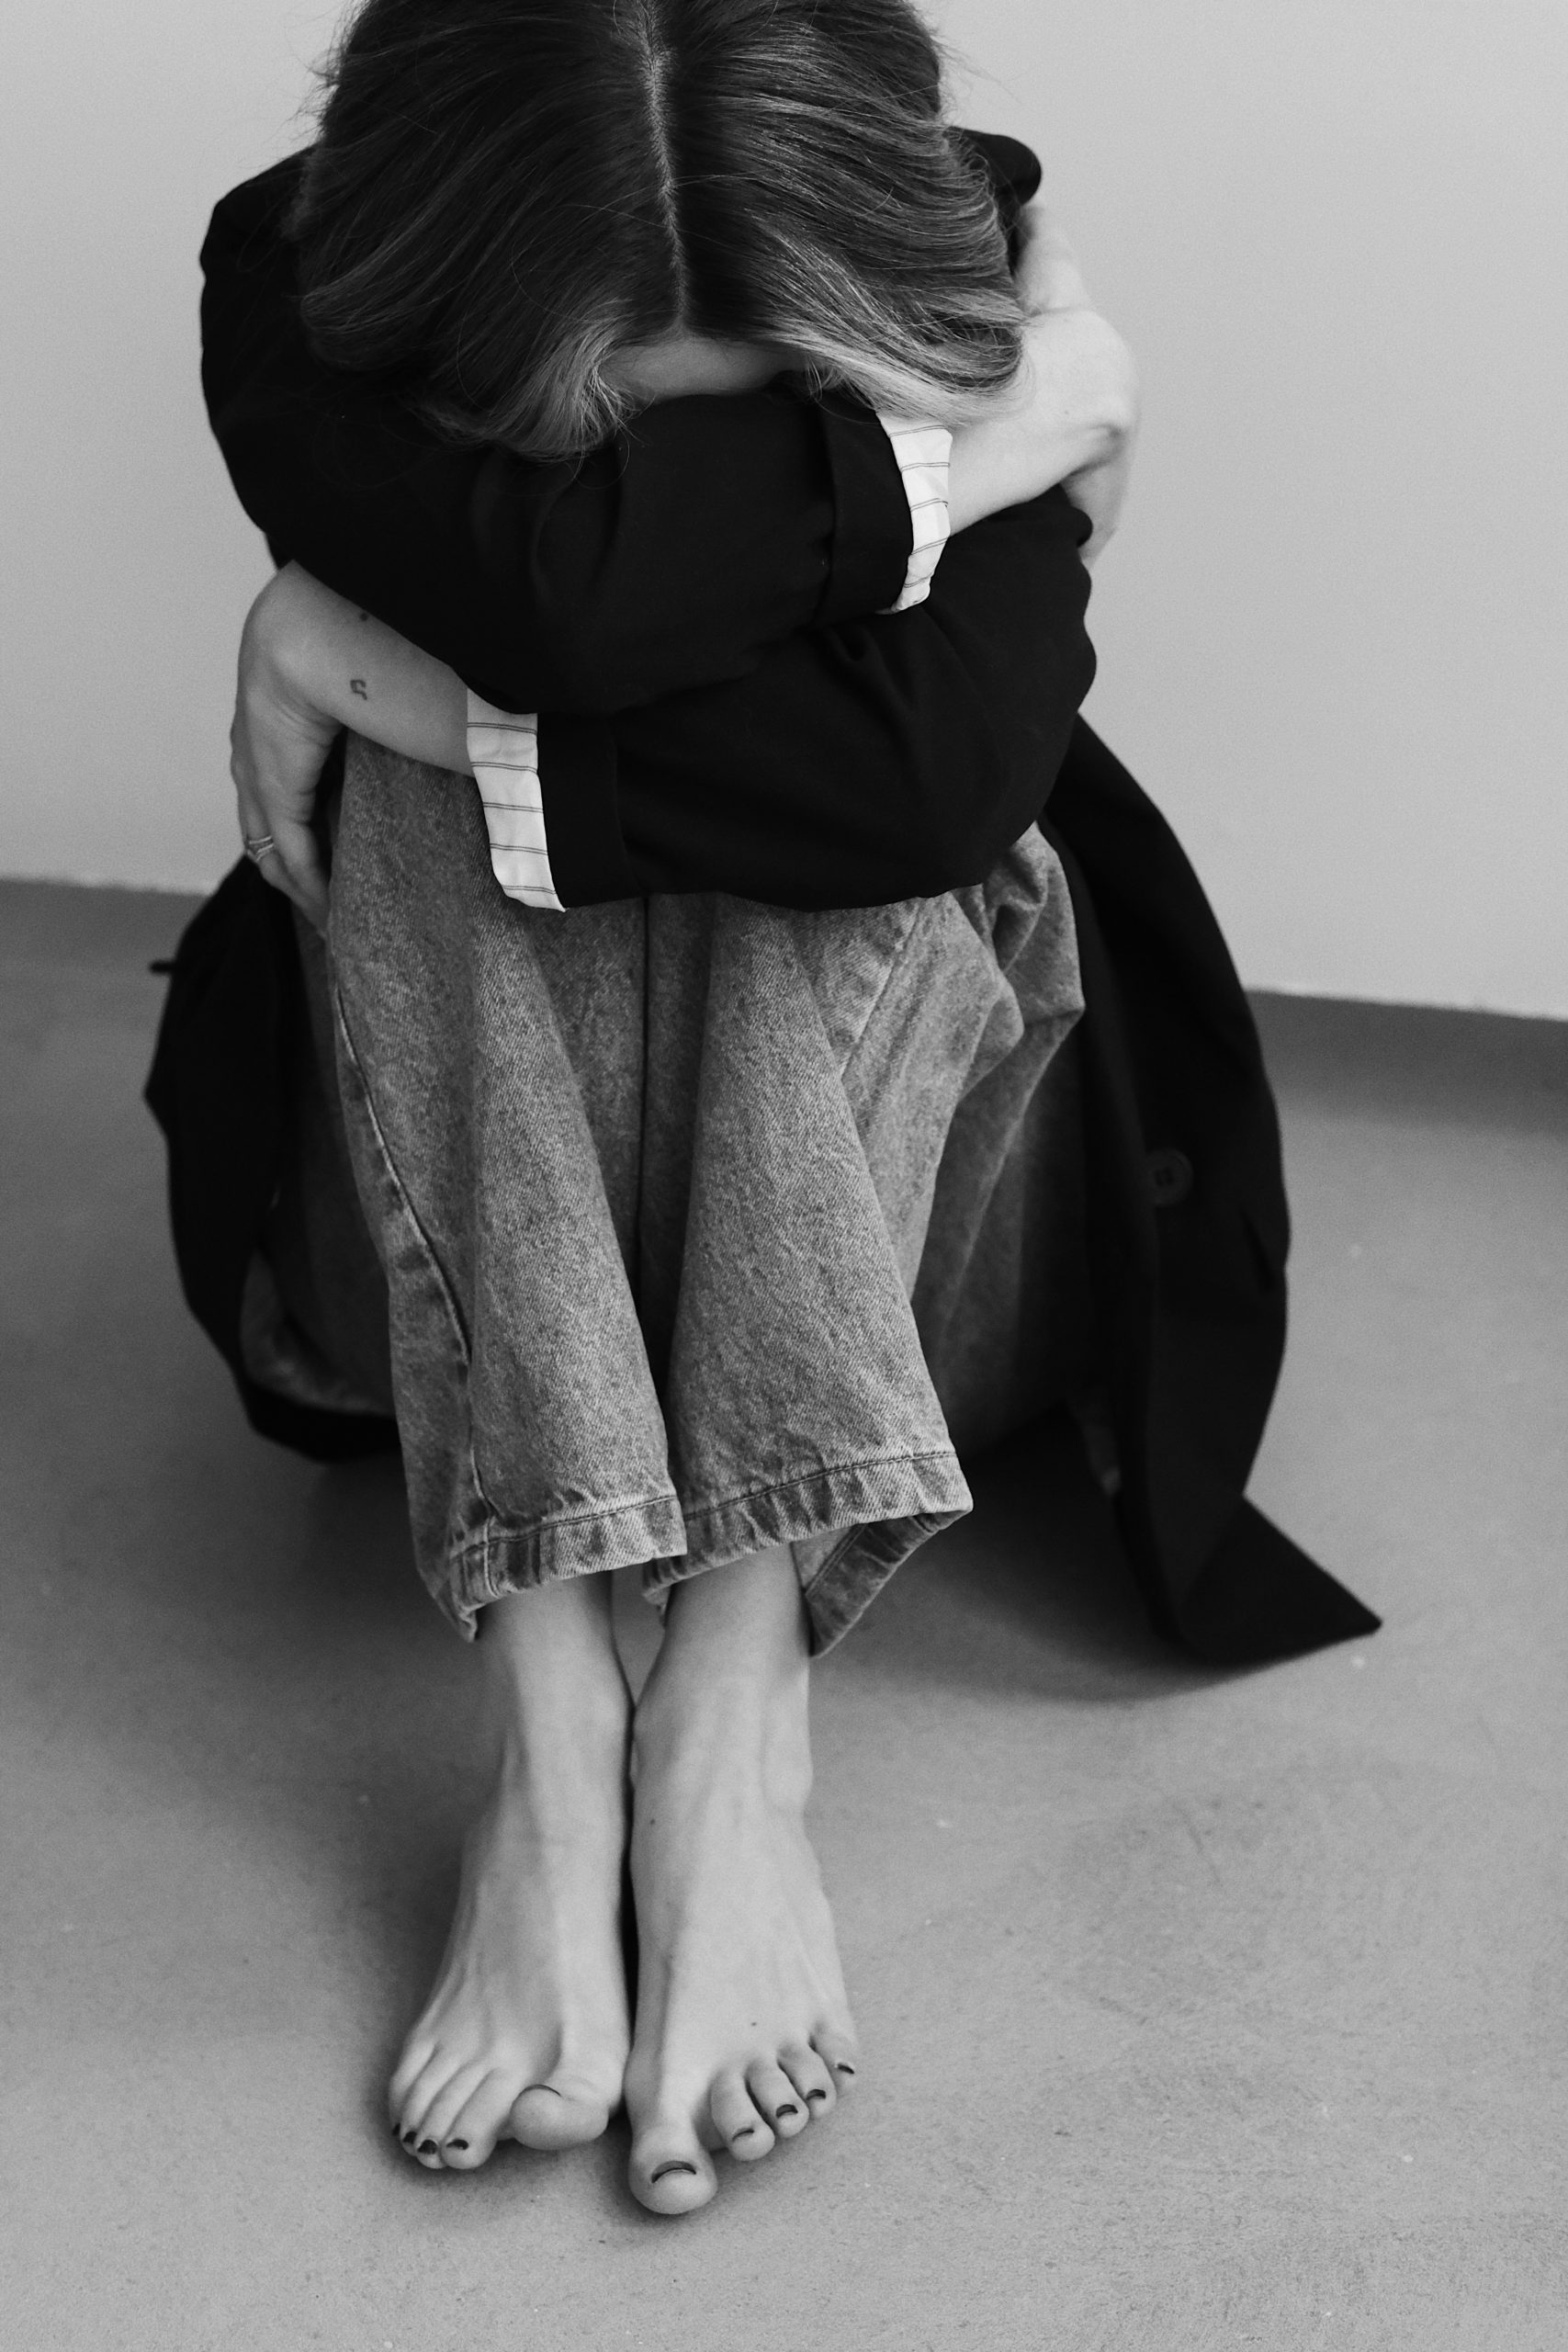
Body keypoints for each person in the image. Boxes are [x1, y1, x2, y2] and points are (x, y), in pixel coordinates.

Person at [155, 0, 1377, 2220]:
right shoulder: (316, 265)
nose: (657, 505)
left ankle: (732, 1684)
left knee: (708, 782)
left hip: (912, 1255)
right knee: (486, 753)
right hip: (431, 1231)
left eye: (729, 442)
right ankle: (551, 1711)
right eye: (607, 463)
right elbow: (569, 610)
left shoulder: (932, 250)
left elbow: (913, 784)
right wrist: (951, 463)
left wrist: (356, 651)